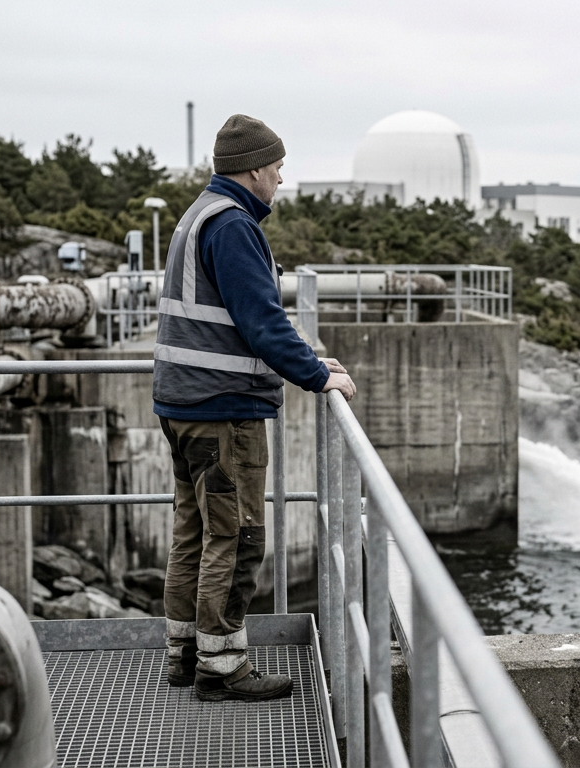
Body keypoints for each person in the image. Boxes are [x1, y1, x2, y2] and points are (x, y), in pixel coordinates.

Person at [152, 114, 357, 702]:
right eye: (278, 169)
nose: (281, 181)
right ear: (254, 169)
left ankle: (185, 655)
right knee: (236, 537)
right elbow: (262, 323)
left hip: (183, 403)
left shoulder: (197, 215)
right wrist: (319, 375)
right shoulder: (235, 226)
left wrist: (312, 367)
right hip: (222, 412)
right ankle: (221, 669)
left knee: (193, 533)